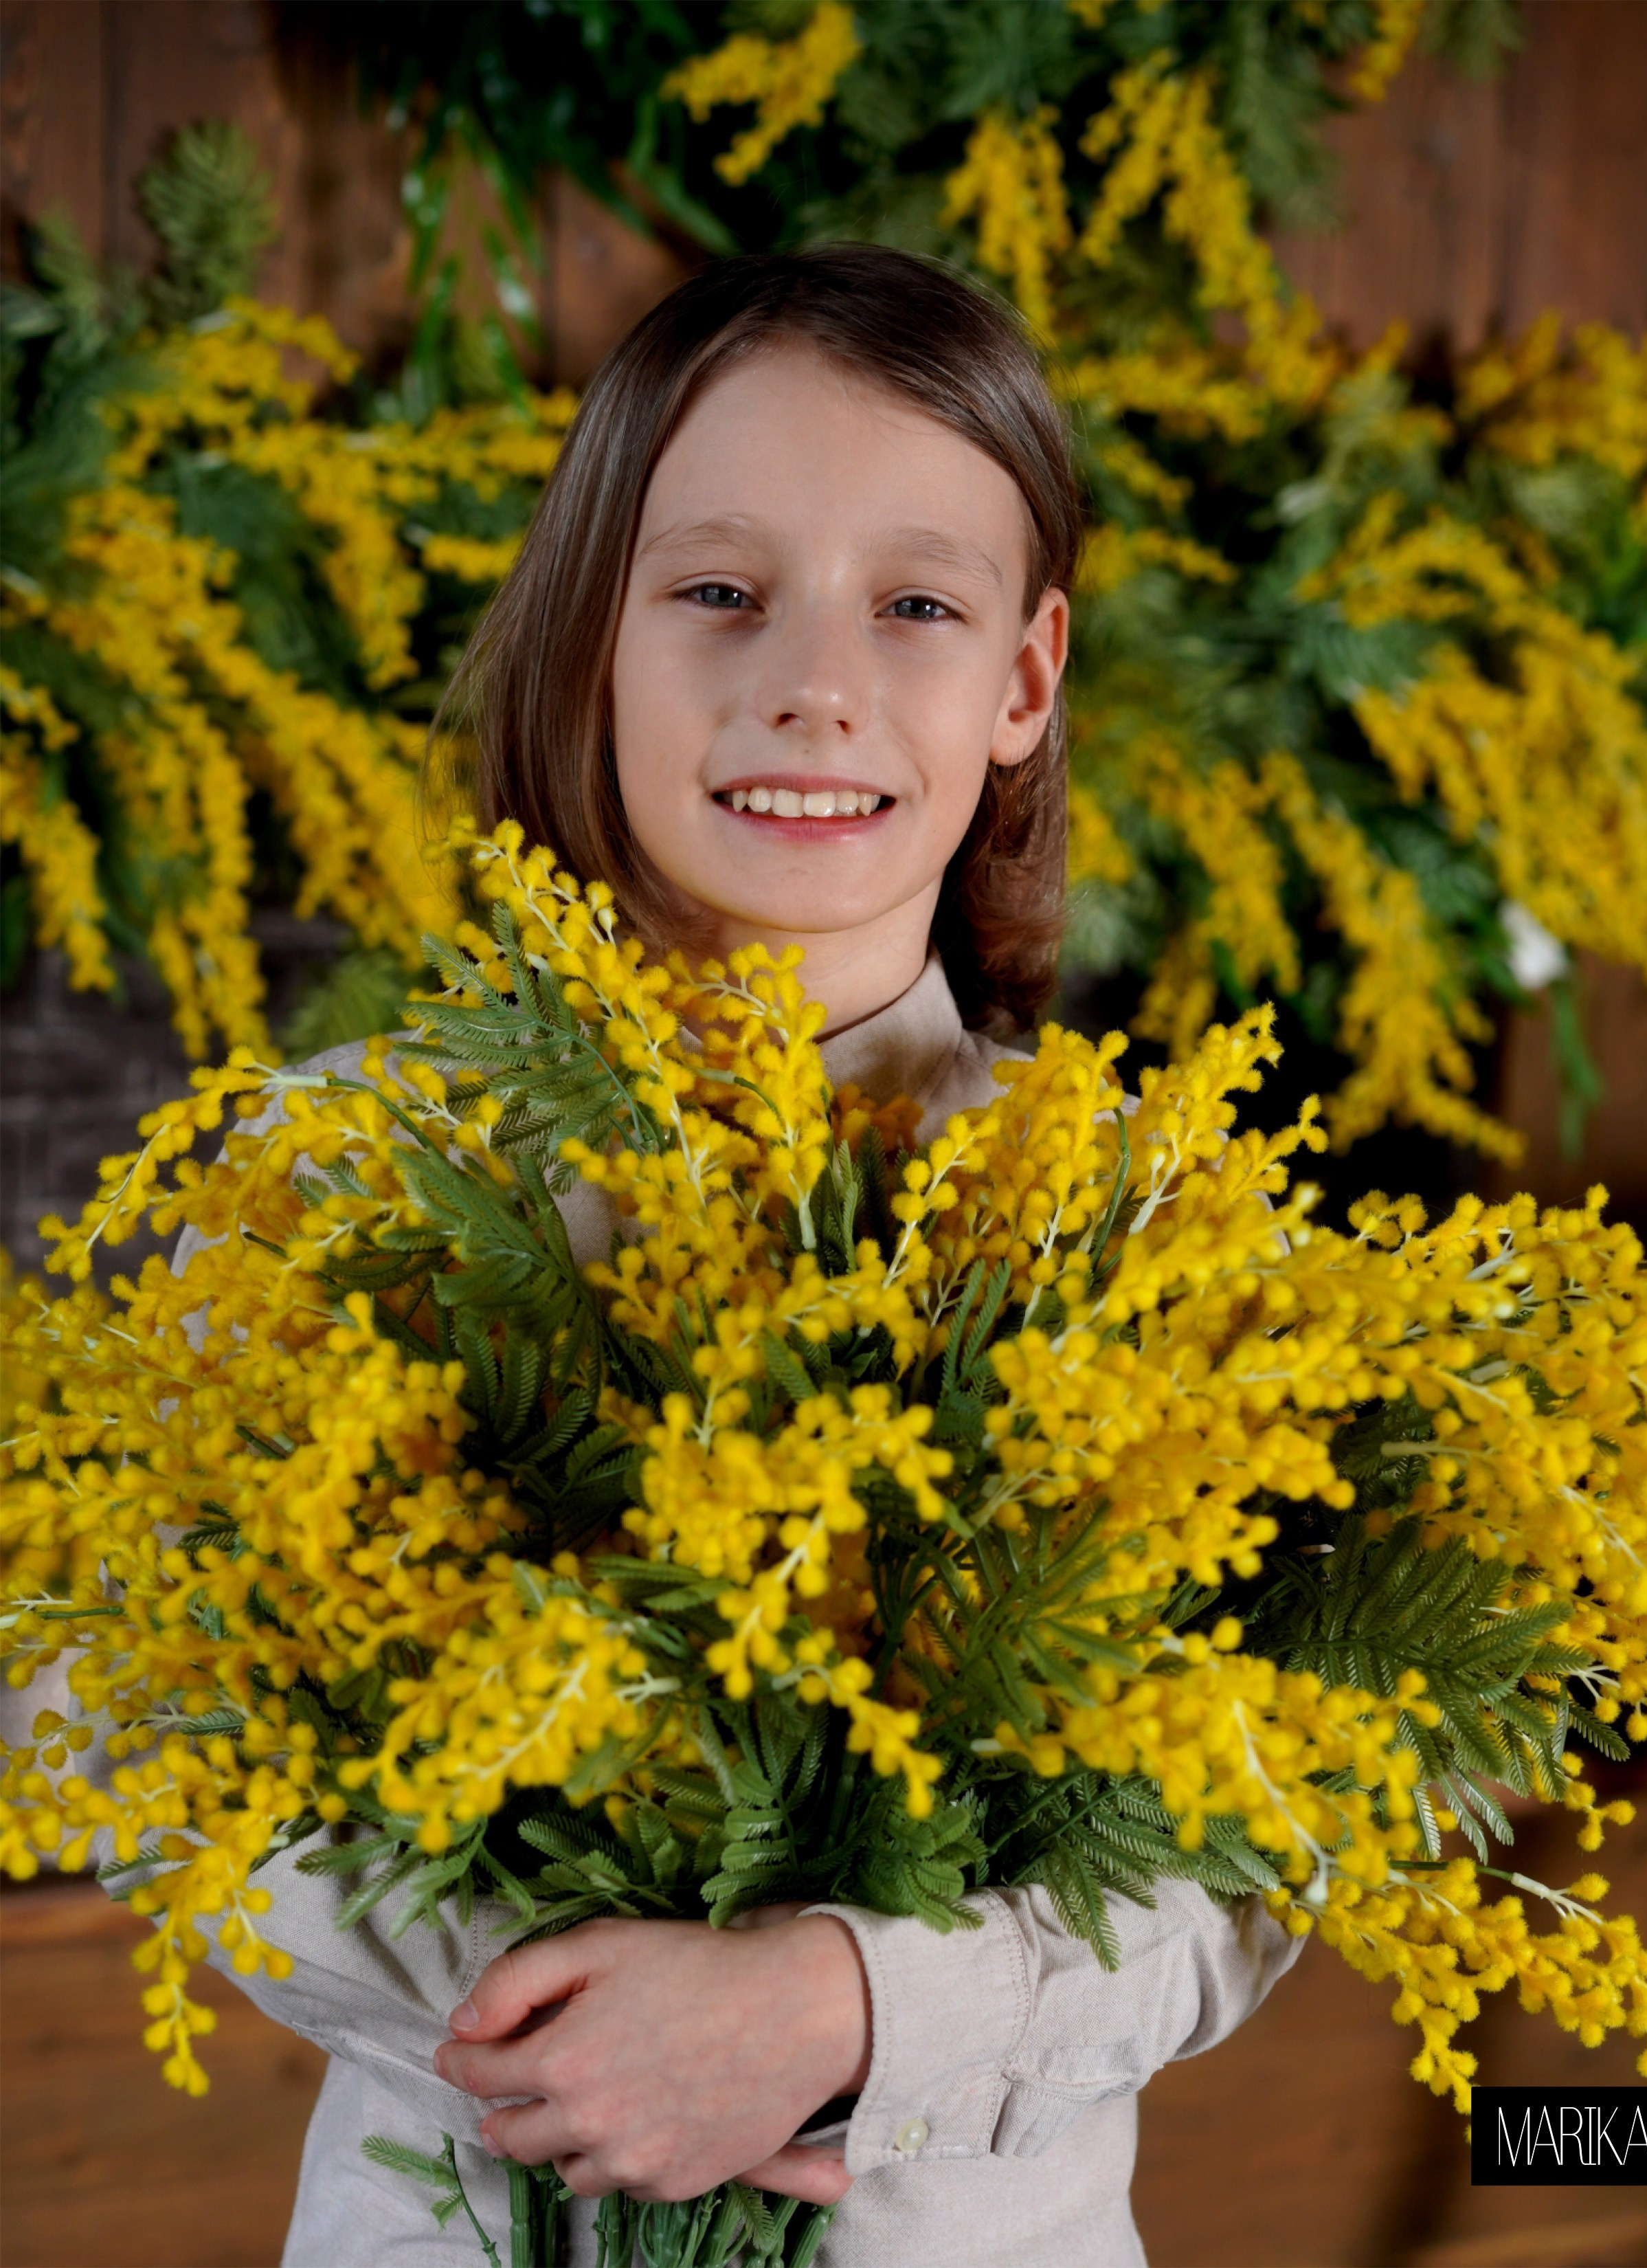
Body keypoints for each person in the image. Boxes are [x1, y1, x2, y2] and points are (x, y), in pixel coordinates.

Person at [192, 245, 1301, 2268]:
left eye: (919, 605)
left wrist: (849, 2012)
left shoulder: (1154, 1216)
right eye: (717, 589)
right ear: (588, 632)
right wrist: (574, 2026)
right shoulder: (338, 1165)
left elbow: (1257, 1848)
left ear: (1027, 677)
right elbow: (117, 1711)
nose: (816, 680)